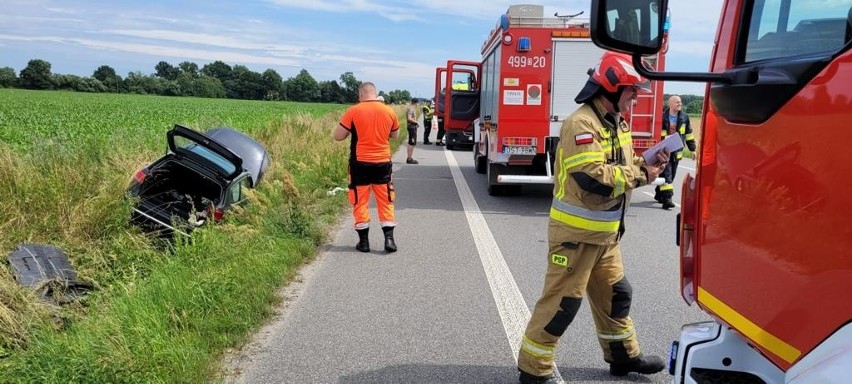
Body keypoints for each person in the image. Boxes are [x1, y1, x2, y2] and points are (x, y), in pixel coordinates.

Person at [516, 51, 669, 384]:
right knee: (561, 305)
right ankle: (533, 369)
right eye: (631, 90)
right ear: (610, 89)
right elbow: (593, 177)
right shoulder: (581, 123)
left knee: (616, 296)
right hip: (576, 238)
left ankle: (622, 356)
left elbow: (618, 165)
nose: (636, 96)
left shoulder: (617, 123)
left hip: (606, 236)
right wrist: (642, 175)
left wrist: (650, 162)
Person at [333, 82, 399, 253]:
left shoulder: (354, 111)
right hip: (383, 163)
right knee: (385, 200)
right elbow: (395, 134)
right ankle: (389, 240)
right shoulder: (389, 111)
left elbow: (338, 136)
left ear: (361, 94)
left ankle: (364, 242)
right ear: (375, 93)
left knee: (360, 201)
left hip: (359, 164)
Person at [654, 95, 696, 210]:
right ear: (670, 104)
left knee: (671, 175)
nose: (680, 104)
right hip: (664, 150)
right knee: (667, 174)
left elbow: (689, 134)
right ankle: (667, 199)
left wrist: (692, 150)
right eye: (677, 102)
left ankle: (659, 194)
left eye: (680, 102)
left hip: (677, 151)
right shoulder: (662, 116)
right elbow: (656, 133)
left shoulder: (684, 117)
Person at [405, 99, 420, 164]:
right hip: (412, 127)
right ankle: (409, 159)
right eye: (417, 103)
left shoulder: (411, 108)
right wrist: (416, 122)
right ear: (416, 103)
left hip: (412, 127)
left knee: (411, 143)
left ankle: (409, 157)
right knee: (412, 143)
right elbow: (409, 118)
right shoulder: (411, 109)